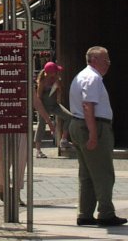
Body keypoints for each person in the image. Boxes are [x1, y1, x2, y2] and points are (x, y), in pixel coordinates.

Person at [69, 46, 126, 227]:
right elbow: (88, 106)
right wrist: (93, 134)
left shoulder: (82, 76)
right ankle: (106, 213)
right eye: (105, 60)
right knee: (103, 172)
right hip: (93, 126)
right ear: (94, 60)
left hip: (78, 125)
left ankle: (85, 213)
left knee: (87, 173)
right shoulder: (92, 78)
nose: (109, 63)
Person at [34, 61, 73, 157]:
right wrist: (43, 113)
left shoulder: (57, 79)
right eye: (55, 71)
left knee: (69, 116)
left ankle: (63, 139)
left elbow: (59, 98)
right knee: (41, 125)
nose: (57, 73)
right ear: (50, 72)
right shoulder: (42, 82)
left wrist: (59, 89)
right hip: (44, 106)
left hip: (54, 105)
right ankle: (38, 150)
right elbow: (39, 98)